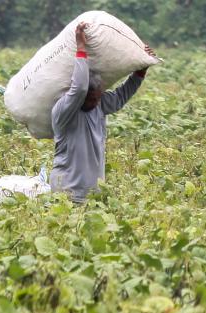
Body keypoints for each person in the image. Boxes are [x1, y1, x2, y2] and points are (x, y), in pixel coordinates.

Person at [50, 22, 156, 203]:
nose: (94, 102)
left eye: (97, 97)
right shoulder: (64, 110)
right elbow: (80, 87)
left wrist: (141, 69)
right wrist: (81, 47)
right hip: (66, 192)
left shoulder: (99, 104)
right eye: (90, 98)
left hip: (94, 193)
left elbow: (122, 95)